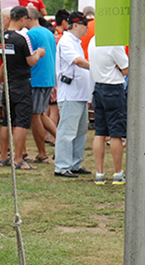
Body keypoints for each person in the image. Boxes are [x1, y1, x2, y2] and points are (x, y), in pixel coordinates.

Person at [1, 6, 46, 169]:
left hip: (8, 83)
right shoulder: (22, 37)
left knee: (7, 120)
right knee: (21, 122)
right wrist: (39, 53)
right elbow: (30, 61)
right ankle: (18, 159)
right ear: (22, 19)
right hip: (22, 83)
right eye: (27, 19)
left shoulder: (2, 37)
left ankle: (3, 157)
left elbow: (3, 65)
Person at [53, 11, 93, 178]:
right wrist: (96, 67)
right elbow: (77, 61)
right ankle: (62, 166)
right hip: (71, 94)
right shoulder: (67, 41)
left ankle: (75, 163)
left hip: (79, 94)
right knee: (67, 131)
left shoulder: (75, 41)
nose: (87, 27)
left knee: (80, 131)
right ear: (75, 25)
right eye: (85, 24)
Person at [89, 38, 128, 185]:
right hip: (113, 88)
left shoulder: (94, 40)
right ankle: (117, 172)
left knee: (100, 132)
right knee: (116, 133)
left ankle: (99, 173)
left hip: (98, 87)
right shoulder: (114, 43)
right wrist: (118, 67)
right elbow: (127, 68)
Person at [26, 7, 57, 163]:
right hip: (48, 77)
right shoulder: (48, 33)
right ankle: (61, 143)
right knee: (41, 114)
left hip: (37, 78)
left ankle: (42, 152)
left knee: (35, 115)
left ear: (29, 18)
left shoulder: (30, 35)